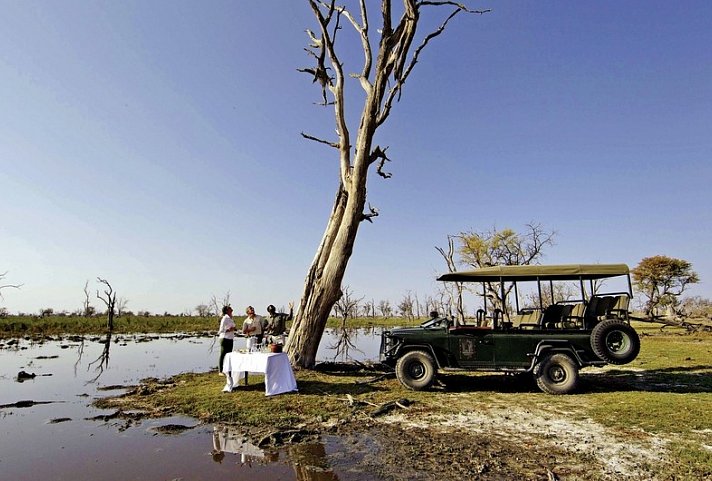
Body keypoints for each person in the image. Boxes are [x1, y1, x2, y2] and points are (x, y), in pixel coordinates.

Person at [217, 305, 236, 374]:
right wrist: (228, 330)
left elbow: (233, 327)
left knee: (229, 355)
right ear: (226, 310)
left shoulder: (231, 318)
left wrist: (234, 329)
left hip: (230, 338)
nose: (231, 309)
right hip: (224, 338)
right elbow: (221, 330)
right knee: (223, 354)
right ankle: (220, 370)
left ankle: (227, 369)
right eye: (229, 308)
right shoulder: (225, 318)